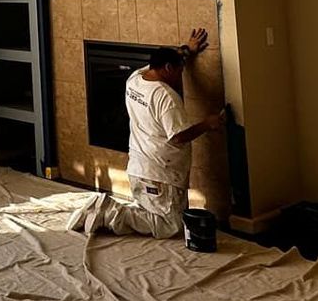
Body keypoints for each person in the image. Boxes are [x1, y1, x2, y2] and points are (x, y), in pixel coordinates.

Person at [71, 30, 223, 238]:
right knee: (170, 224)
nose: (181, 76)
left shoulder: (136, 78)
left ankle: (106, 211)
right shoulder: (166, 97)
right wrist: (208, 123)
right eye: (179, 71)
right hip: (160, 175)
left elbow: (171, 58)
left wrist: (187, 49)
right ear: (168, 68)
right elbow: (178, 136)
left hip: (138, 168)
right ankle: (109, 212)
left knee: (149, 214)